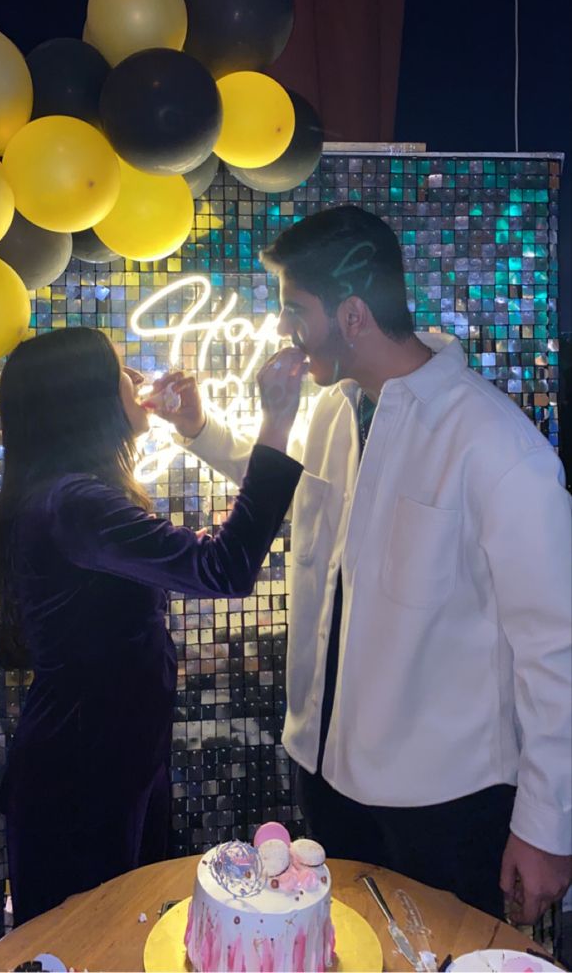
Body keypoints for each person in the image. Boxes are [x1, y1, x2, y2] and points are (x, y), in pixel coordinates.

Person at [152, 204, 572, 924]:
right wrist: (196, 426)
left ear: (350, 316)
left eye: (294, 311)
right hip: (327, 772)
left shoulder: (494, 445)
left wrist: (546, 824)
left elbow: (554, 646)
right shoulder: (339, 411)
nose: (283, 331)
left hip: (447, 798)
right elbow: (285, 479)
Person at [0, 326, 305, 925]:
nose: (137, 379)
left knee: (124, 938)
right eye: (120, 372)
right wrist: (277, 422)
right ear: (86, 399)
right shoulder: (75, 502)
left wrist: (195, 426)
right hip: (84, 777)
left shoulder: (68, 494)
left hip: (110, 759)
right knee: (85, 948)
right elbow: (225, 567)